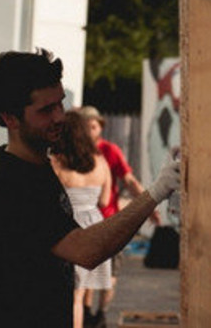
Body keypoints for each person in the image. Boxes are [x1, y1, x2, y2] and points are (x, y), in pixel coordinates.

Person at [0, 50, 180, 328]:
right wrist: (157, 191)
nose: (59, 117)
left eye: (60, 104)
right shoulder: (13, 182)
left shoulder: (36, 165)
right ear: (11, 118)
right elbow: (86, 250)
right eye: (46, 110)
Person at [78, 105, 160, 325]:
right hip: (84, 224)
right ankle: (86, 312)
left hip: (109, 220)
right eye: (85, 127)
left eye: (93, 127)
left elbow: (130, 180)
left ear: (100, 127)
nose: (90, 132)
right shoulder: (73, 153)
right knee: (85, 274)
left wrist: (149, 206)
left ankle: (101, 313)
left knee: (109, 276)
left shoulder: (109, 151)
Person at [50, 111, 113, 328]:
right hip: (94, 228)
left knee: (63, 297)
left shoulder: (54, 163)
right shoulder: (100, 162)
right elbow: (105, 201)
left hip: (66, 228)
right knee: (80, 297)